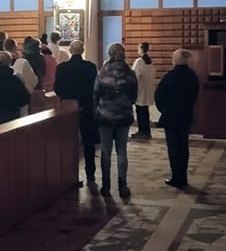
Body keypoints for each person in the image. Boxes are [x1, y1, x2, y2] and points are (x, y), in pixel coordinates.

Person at [93, 43, 138, 197]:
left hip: (105, 116)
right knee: (122, 150)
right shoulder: (130, 74)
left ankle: (106, 186)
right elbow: (134, 96)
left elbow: (96, 93)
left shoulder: (102, 73)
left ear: (109, 54)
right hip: (123, 116)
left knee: (106, 150)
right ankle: (122, 185)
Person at [55, 39, 99, 188]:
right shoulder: (90, 67)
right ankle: (90, 174)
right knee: (88, 142)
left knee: (68, 142)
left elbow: (57, 89)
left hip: (67, 109)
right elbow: (95, 88)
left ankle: (68, 174)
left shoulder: (62, 68)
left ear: (70, 51)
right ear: (83, 51)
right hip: (86, 107)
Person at [155, 49, 200, 188]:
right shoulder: (192, 76)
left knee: (173, 147)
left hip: (171, 116)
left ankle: (176, 176)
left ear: (174, 60)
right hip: (185, 115)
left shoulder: (170, 76)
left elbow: (159, 96)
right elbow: (195, 94)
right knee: (183, 146)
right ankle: (183, 176)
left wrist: (164, 109)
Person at [131, 42, 156, 138]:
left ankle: (142, 131)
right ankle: (146, 131)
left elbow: (134, 76)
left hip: (140, 90)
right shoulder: (150, 62)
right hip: (148, 90)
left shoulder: (139, 61)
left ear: (141, 49)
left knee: (140, 112)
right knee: (145, 112)